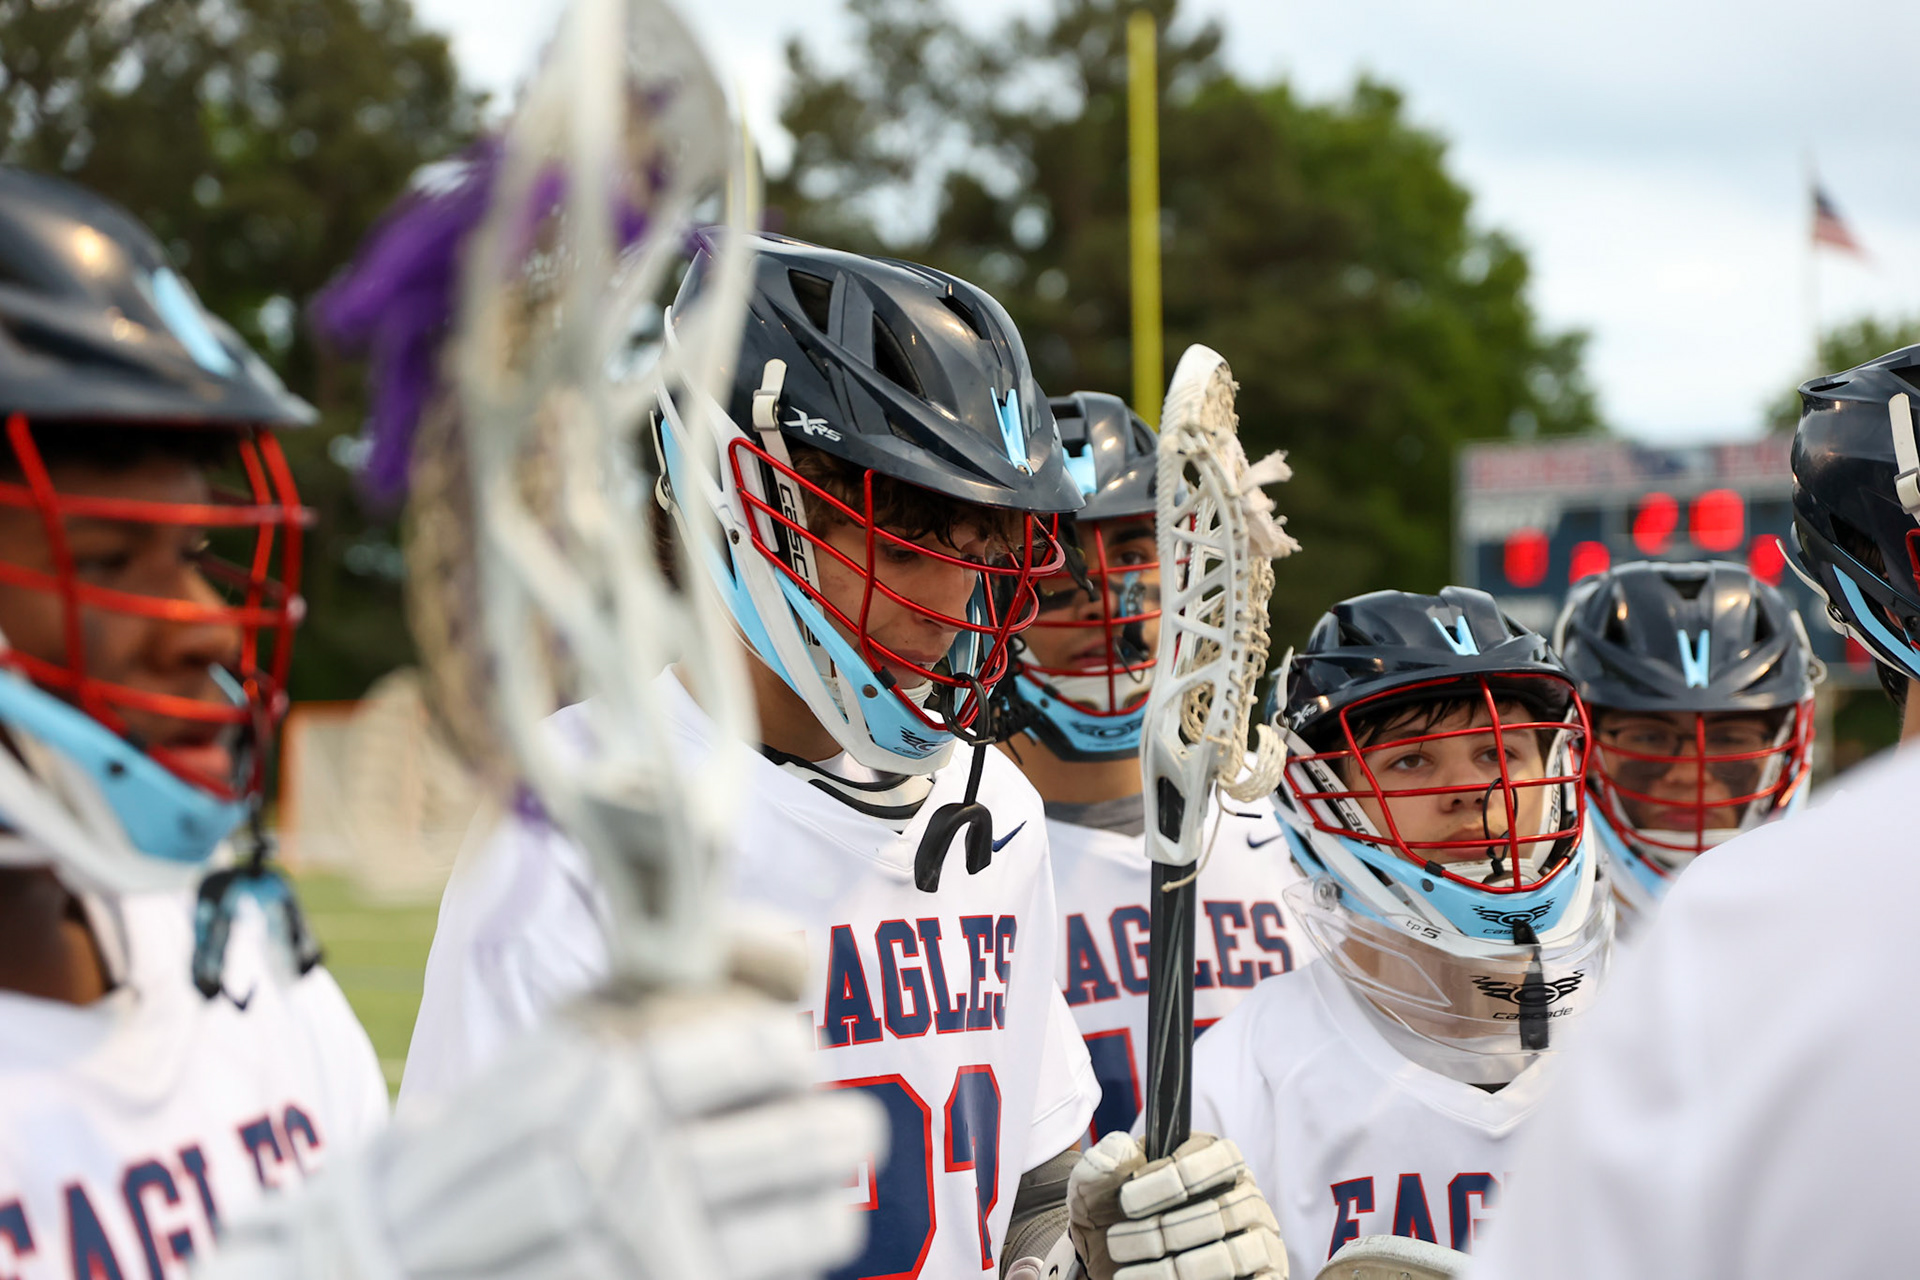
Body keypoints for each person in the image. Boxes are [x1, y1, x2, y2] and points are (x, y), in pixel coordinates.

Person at [399, 234, 1285, 1279]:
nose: (954, 606)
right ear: (743, 506)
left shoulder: (991, 807)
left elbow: (1023, 1194)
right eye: (910, 547)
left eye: (984, 549)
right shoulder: (577, 822)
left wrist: (1087, 1256)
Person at [1468, 346, 1920, 1280]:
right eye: (1655, 739)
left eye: (1733, 739)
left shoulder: (1759, 929)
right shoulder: (1476, 968)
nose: (1695, 780)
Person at [1188, 587, 1612, 1278]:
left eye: (1500, 753)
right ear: (1320, 798)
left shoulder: (1657, 1036)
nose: (1477, 791)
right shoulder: (1241, 1083)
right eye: (1413, 761)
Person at [1000, 390, 1308, 1142]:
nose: (1103, 595)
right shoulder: (947, 853)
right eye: (1059, 557)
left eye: (1133, 553)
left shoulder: (1292, 838)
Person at [1552, 559, 1820, 933]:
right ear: (1579, 742)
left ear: (1788, 742)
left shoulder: (1843, 928)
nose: (1688, 775)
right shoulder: (1525, 957)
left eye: (1729, 739)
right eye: (1648, 737)